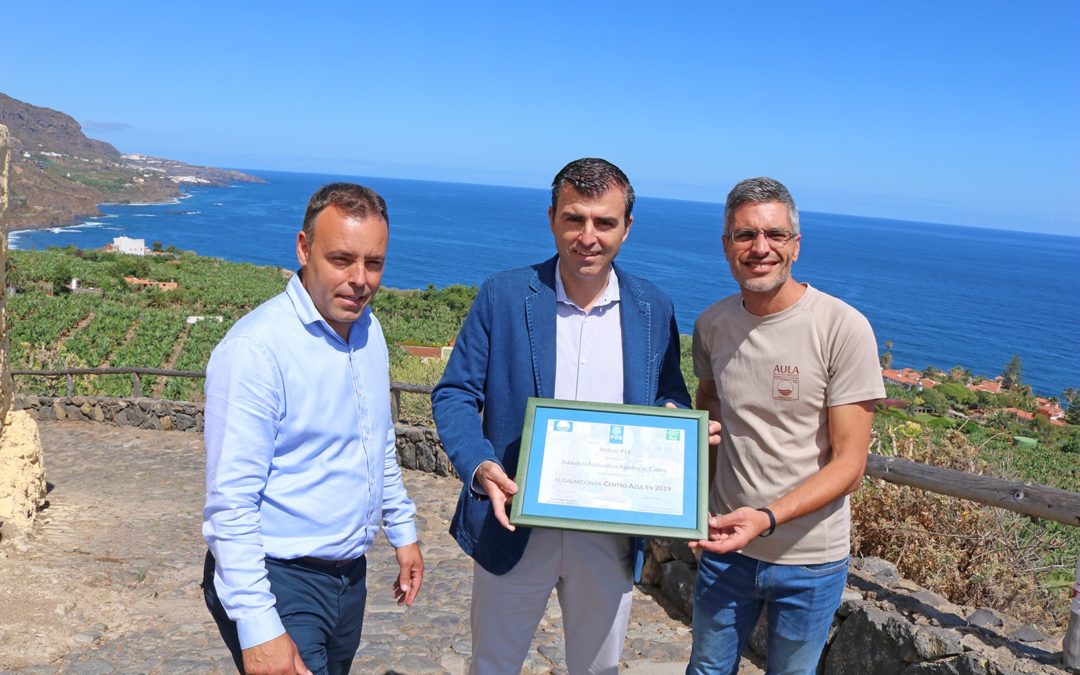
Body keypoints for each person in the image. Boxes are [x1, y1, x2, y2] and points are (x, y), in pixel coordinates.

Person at [432, 158, 692, 674]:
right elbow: (455, 393)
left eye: (604, 222)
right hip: (514, 526)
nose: (588, 236)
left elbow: (670, 394)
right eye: (575, 219)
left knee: (598, 669)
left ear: (627, 227)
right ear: (552, 217)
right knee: (492, 665)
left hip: (610, 532)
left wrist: (671, 422)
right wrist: (483, 469)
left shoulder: (652, 307)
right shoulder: (503, 296)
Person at [202, 183, 424, 675]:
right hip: (281, 581)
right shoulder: (256, 351)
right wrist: (259, 629)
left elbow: (376, 443)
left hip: (349, 580)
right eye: (342, 259)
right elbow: (230, 505)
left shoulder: (369, 331)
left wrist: (402, 532)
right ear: (303, 248)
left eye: (375, 263)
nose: (360, 280)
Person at [687, 177, 885, 674]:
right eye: (744, 235)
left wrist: (765, 517)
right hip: (726, 548)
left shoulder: (842, 327)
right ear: (726, 246)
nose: (760, 248)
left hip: (810, 558)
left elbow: (850, 465)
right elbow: (709, 406)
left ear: (796, 244)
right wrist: (689, 506)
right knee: (706, 670)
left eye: (774, 235)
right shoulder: (711, 326)